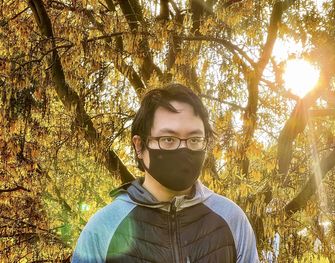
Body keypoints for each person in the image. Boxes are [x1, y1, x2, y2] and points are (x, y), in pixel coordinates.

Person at [72, 83, 260, 263]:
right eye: (168, 139)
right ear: (139, 146)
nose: (184, 150)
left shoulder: (230, 218)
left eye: (194, 140)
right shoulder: (104, 228)